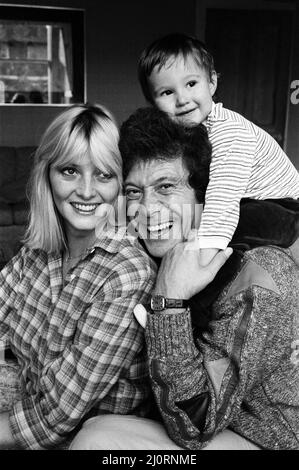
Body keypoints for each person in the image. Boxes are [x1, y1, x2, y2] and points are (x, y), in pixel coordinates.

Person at [70, 107, 299, 450]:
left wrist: (169, 301)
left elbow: (195, 422)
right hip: (206, 425)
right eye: (134, 192)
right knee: (94, 426)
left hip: (267, 440)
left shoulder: (258, 273)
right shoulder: (150, 252)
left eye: (166, 186)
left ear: (203, 196)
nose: (147, 208)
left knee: (98, 442)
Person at [0, 103, 157, 449]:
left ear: (121, 184)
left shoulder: (128, 272)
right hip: (24, 405)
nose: (86, 191)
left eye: (103, 175)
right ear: (47, 175)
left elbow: (56, 416)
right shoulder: (36, 253)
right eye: (70, 171)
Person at [137, 32, 299, 266]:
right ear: (153, 102)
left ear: (211, 83)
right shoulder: (183, 135)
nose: (182, 99)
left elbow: (222, 202)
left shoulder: (229, 132)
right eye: (167, 92)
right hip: (246, 201)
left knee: (228, 231)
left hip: (284, 208)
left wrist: (198, 260)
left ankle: (198, 292)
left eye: (191, 84)